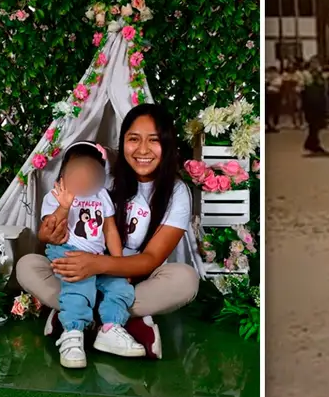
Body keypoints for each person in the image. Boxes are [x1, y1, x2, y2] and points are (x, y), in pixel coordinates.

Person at [17, 105, 202, 361]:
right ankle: (115, 321)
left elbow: (151, 259)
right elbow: (54, 229)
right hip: (80, 270)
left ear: (168, 144)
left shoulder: (176, 192)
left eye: (154, 141)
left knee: (185, 280)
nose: (143, 150)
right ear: (123, 141)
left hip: (130, 277)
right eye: (134, 139)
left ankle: (79, 315)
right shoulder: (102, 176)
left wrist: (98, 263)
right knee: (28, 265)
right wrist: (52, 234)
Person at [38, 141, 144, 368]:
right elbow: (49, 229)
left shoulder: (102, 196)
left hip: (97, 257)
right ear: (64, 175)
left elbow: (110, 230)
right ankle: (73, 332)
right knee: (79, 285)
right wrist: (64, 206)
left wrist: (118, 264)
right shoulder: (55, 196)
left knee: (120, 287)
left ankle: (110, 328)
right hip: (67, 253)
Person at [301, 57, 329, 156]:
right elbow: (304, 87)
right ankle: (311, 144)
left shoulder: (320, 75)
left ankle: (313, 144)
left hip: (320, 102)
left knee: (318, 125)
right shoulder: (306, 74)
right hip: (310, 103)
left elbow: (323, 85)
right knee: (313, 125)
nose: (316, 65)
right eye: (314, 63)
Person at [265, 65, 282, 133]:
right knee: (268, 111)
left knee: (275, 111)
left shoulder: (278, 78)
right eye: (269, 72)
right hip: (268, 96)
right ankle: (268, 125)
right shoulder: (266, 78)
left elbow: (277, 85)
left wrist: (270, 83)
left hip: (275, 96)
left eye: (272, 72)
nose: (271, 74)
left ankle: (275, 125)